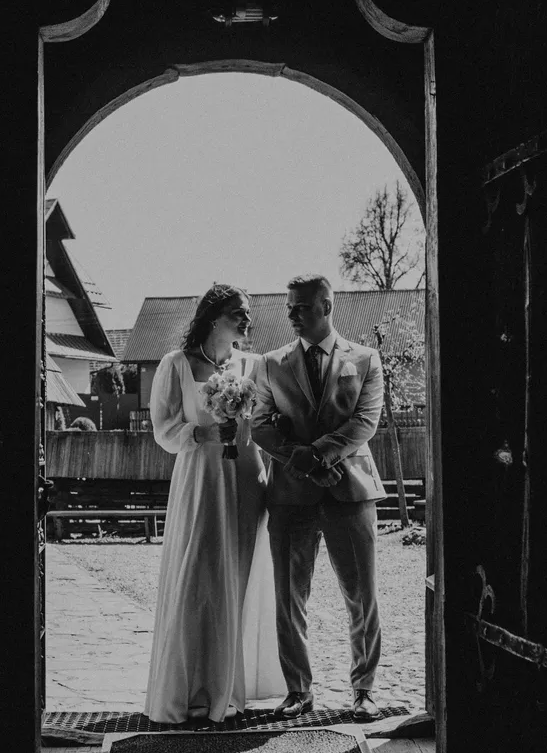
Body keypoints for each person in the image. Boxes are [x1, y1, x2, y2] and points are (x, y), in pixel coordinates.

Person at [142, 284, 288, 727]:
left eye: (247, 313)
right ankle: (188, 690)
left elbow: (269, 422)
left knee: (235, 580)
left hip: (245, 478)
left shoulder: (253, 365)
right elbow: (163, 430)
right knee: (196, 578)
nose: (247, 320)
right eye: (238, 312)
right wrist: (202, 433)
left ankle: (227, 691)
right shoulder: (176, 364)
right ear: (212, 316)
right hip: (200, 479)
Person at [250, 274, 386, 722]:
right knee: (289, 597)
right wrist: (304, 462)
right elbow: (260, 425)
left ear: (326, 306)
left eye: (302, 307)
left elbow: (365, 421)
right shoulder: (269, 364)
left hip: (350, 490)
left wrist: (320, 455)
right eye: (289, 306)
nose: (292, 314)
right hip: (291, 494)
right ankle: (298, 690)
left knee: (362, 595)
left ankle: (364, 689)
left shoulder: (365, 359)